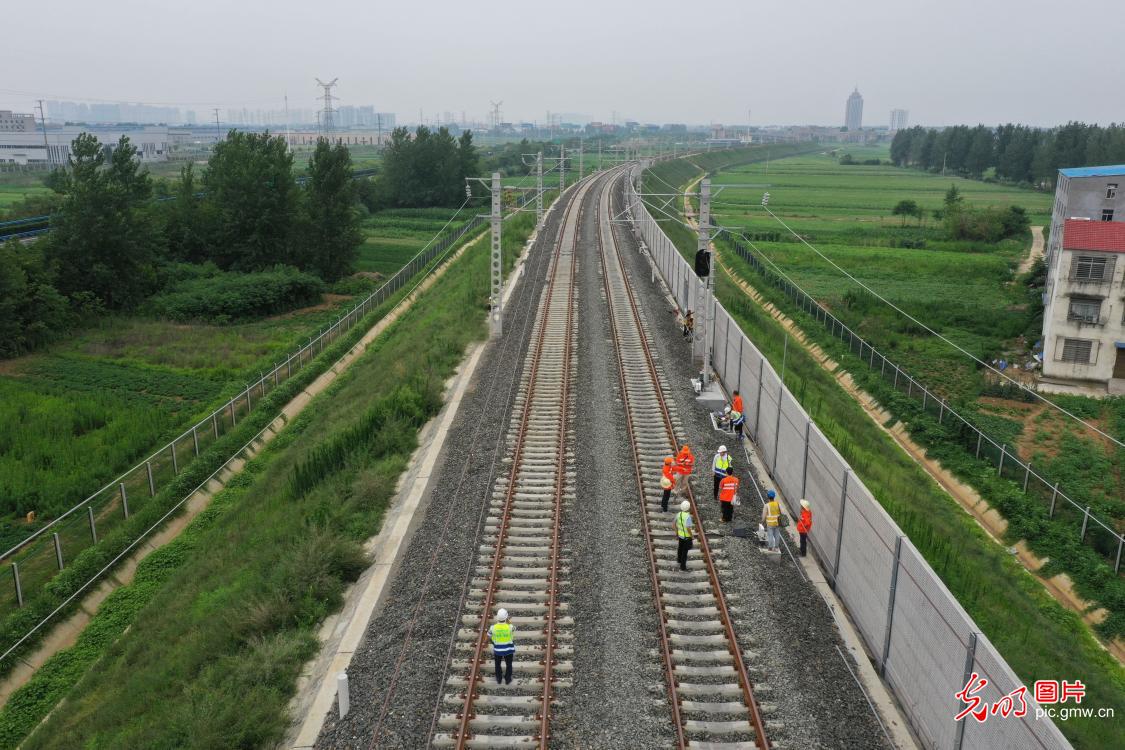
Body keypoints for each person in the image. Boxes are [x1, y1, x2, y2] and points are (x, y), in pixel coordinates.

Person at [488, 608, 515, 684]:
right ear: (506, 617)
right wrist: (508, 621)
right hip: (509, 649)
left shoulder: (493, 627)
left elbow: (489, 634)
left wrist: (494, 642)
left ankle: (499, 678)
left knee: (497, 664)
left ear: (497, 617)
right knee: (509, 664)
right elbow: (514, 629)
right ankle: (508, 679)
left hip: (498, 650)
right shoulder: (510, 627)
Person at [675, 500, 694, 570]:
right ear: (688, 508)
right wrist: (692, 536)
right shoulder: (688, 517)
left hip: (680, 535)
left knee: (680, 548)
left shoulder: (678, 514)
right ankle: (683, 567)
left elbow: (674, 525)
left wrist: (676, 533)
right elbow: (688, 528)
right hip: (687, 537)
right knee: (684, 552)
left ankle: (679, 560)